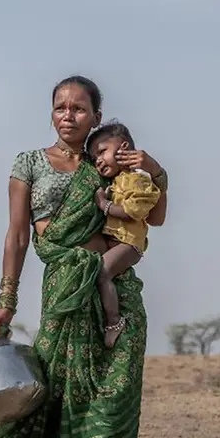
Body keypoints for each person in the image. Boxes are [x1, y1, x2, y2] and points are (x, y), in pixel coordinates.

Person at [0, 75, 170, 438]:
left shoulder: (105, 163)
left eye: (79, 108)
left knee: (115, 400)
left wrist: (155, 169)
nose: (69, 115)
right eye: (61, 107)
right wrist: (7, 298)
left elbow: (155, 215)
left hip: (116, 292)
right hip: (66, 292)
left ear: (96, 117)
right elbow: (18, 235)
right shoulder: (29, 164)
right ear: (51, 113)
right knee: (62, 397)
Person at [85, 122, 162, 348]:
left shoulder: (138, 180)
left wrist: (104, 205)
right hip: (115, 240)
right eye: (94, 158)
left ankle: (114, 322)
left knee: (102, 272)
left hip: (128, 243)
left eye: (102, 152)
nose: (99, 161)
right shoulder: (114, 182)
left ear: (124, 148)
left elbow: (132, 211)